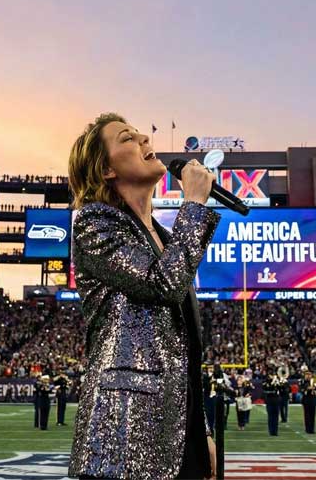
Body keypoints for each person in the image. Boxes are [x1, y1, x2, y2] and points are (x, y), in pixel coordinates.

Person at [67, 113, 219, 480]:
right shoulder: (94, 223)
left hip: (176, 431)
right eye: (127, 138)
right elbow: (160, 285)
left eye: (141, 136)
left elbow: (181, 350)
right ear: (106, 169)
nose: (143, 141)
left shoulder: (166, 241)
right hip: (123, 432)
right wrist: (195, 203)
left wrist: (200, 432)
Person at [300, 370, 316, 434]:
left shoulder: (314, 381)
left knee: (312, 415)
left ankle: (312, 429)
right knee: (307, 415)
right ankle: (307, 429)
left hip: (313, 399)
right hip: (306, 399)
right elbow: (302, 389)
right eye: (307, 374)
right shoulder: (302, 381)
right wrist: (309, 388)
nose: (308, 376)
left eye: (309, 374)